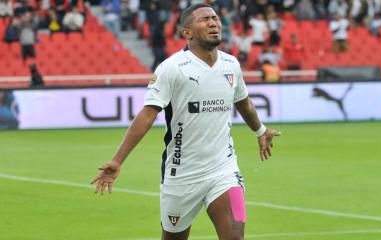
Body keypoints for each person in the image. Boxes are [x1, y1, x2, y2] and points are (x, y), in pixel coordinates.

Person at [90, 3, 281, 240]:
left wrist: (260, 130)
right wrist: (118, 160)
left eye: (214, 18)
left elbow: (244, 102)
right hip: (181, 175)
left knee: (235, 237)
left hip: (225, 170)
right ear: (187, 33)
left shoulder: (231, 64)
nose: (213, 22)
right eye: (204, 19)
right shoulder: (172, 68)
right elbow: (147, 115)